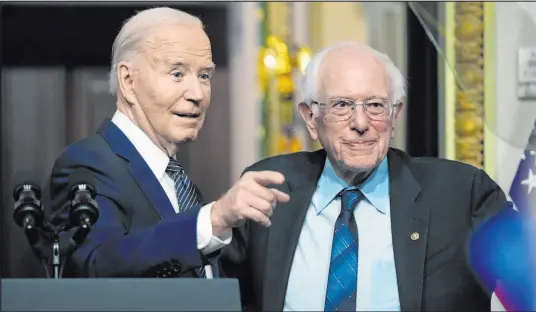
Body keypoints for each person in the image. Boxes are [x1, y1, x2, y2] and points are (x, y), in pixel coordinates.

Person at [220, 41, 509, 311]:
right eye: (342, 105)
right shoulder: (268, 186)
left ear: (395, 116)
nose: (360, 123)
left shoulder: (462, 193)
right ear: (310, 118)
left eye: (375, 106)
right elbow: (212, 289)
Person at [47, 7, 288, 278]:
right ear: (128, 81)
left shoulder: (182, 185)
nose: (197, 94)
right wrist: (214, 219)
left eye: (204, 76)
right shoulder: (87, 165)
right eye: (177, 74)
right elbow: (93, 267)